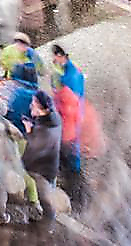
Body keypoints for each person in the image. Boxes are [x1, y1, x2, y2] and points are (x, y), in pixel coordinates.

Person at [50, 44, 84, 173]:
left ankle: (74, 168)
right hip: (70, 107)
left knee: (71, 137)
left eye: (55, 55)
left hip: (71, 110)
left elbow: (70, 96)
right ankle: (70, 163)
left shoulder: (71, 75)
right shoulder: (69, 68)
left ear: (60, 55)